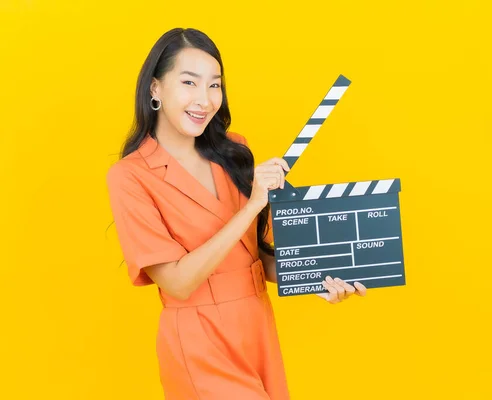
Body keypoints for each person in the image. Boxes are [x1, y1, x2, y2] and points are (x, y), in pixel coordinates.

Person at [106, 27, 367, 400]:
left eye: (215, 85)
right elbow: (177, 282)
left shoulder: (234, 151)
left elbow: (256, 257)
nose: (205, 99)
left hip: (257, 327)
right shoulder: (130, 176)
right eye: (189, 82)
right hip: (199, 340)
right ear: (155, 88)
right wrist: (250, 208)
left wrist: (318, 278)